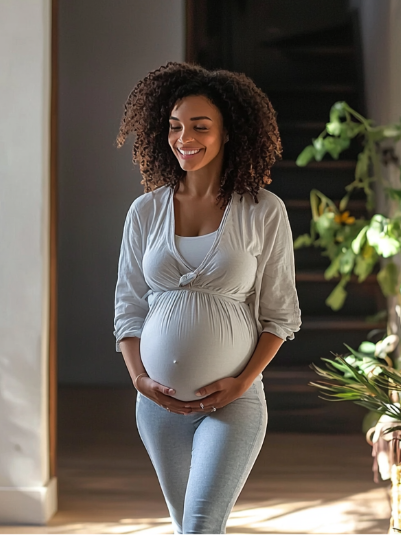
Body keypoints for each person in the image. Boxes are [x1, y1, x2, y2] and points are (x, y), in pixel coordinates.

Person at [113, 62, 302, 534]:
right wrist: (139, 379)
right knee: (189, 529)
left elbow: (279, 314)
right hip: (157, 406)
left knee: (200, 526)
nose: (184, 138)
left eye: (200, 126)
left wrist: (241, 383)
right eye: (175, 126)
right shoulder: (145, 211)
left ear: (228, 133)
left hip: (233, 403)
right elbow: (129, 308)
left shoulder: (264, 211)